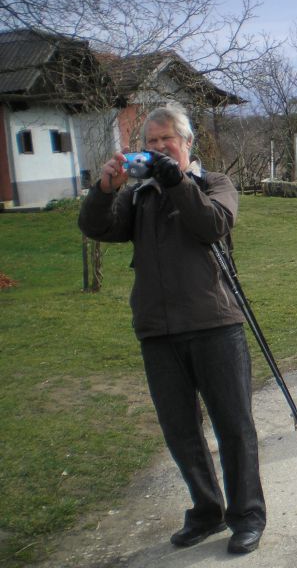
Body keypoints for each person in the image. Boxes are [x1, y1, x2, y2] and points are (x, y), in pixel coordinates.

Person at [77, 105, 266, 554]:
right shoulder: (139, 196)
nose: (160, 148)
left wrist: (176, 182)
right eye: (152, 142)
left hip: (215, 324)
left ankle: (247, 516)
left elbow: (212, 225)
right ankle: (207, 511)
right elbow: (96, 226)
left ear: (187, 144)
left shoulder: (213, 184)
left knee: (234, 426)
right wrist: (106, 188)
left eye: (168, 140)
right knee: (180, 430)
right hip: (158, 331)